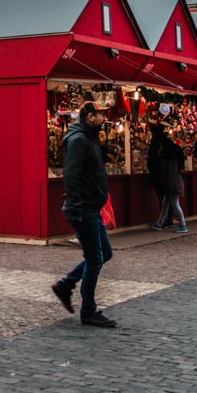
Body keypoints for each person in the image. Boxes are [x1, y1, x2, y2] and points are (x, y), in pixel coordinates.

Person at [51, 101, 117, 328]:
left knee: (104, 253)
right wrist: (78, 208)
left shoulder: (88, 137)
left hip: (91, 208)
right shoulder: (79, 139)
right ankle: (88, 311)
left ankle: (66, 284)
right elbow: (71, 175)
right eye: (100, 114)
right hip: (84, 209)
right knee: (95, 258)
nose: (104, 118)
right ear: (89, 116)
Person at [149, 116, 188, 234]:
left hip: (173, 183)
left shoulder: (169, 160)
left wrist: (169, 185)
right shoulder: (174, 153)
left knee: (175, 204)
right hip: (173, 182)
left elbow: (171, 173)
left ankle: (183, 225)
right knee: (166, 203)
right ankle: (160, 223)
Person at [146, 112, 173, 228]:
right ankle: (169, 219)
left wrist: (151, 169)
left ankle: (164, 220)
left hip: (158, 173)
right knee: (167, 197)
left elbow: (152, 157)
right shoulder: (166, 141)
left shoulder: (156, 141)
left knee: (162, 196)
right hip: (166, 173)